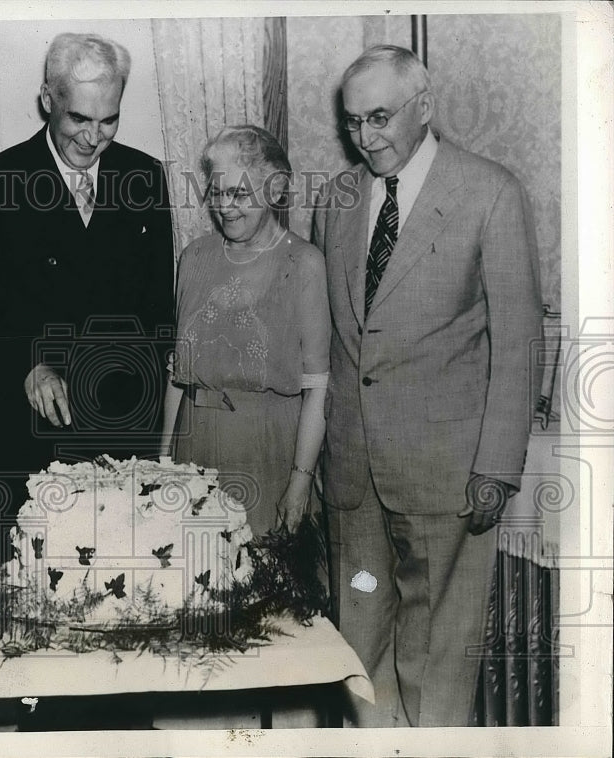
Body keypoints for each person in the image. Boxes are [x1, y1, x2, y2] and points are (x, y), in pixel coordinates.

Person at [311, 45, 542, 727]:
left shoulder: (490, 192)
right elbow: (334, 340)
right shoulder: (338, 198)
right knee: (359, 644)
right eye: (353, 122)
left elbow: (517, 341)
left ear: (424, 107)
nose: (366, 137)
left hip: (449, 471)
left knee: (439, 657)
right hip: (353, 471)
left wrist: (498, 465)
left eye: (379, 117)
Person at [0, 33, 174, 525]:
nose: (93, 137)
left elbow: (159, 306)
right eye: (78, 118)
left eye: (109, 120)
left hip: (124, 429)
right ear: (48, 100)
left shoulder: (146, 177)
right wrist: (25, 366)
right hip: (32, 430)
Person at [161, 125, 329, 536]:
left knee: (266, 592)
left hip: (267, 451)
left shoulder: (303, 263)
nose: (225, 207)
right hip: (194, 448)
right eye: (216, 193)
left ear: (274, 191)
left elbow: (318, 388)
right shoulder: (195, 256)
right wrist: (162, 461)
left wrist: (300, 482)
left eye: (239, 194)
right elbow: (177, 377)